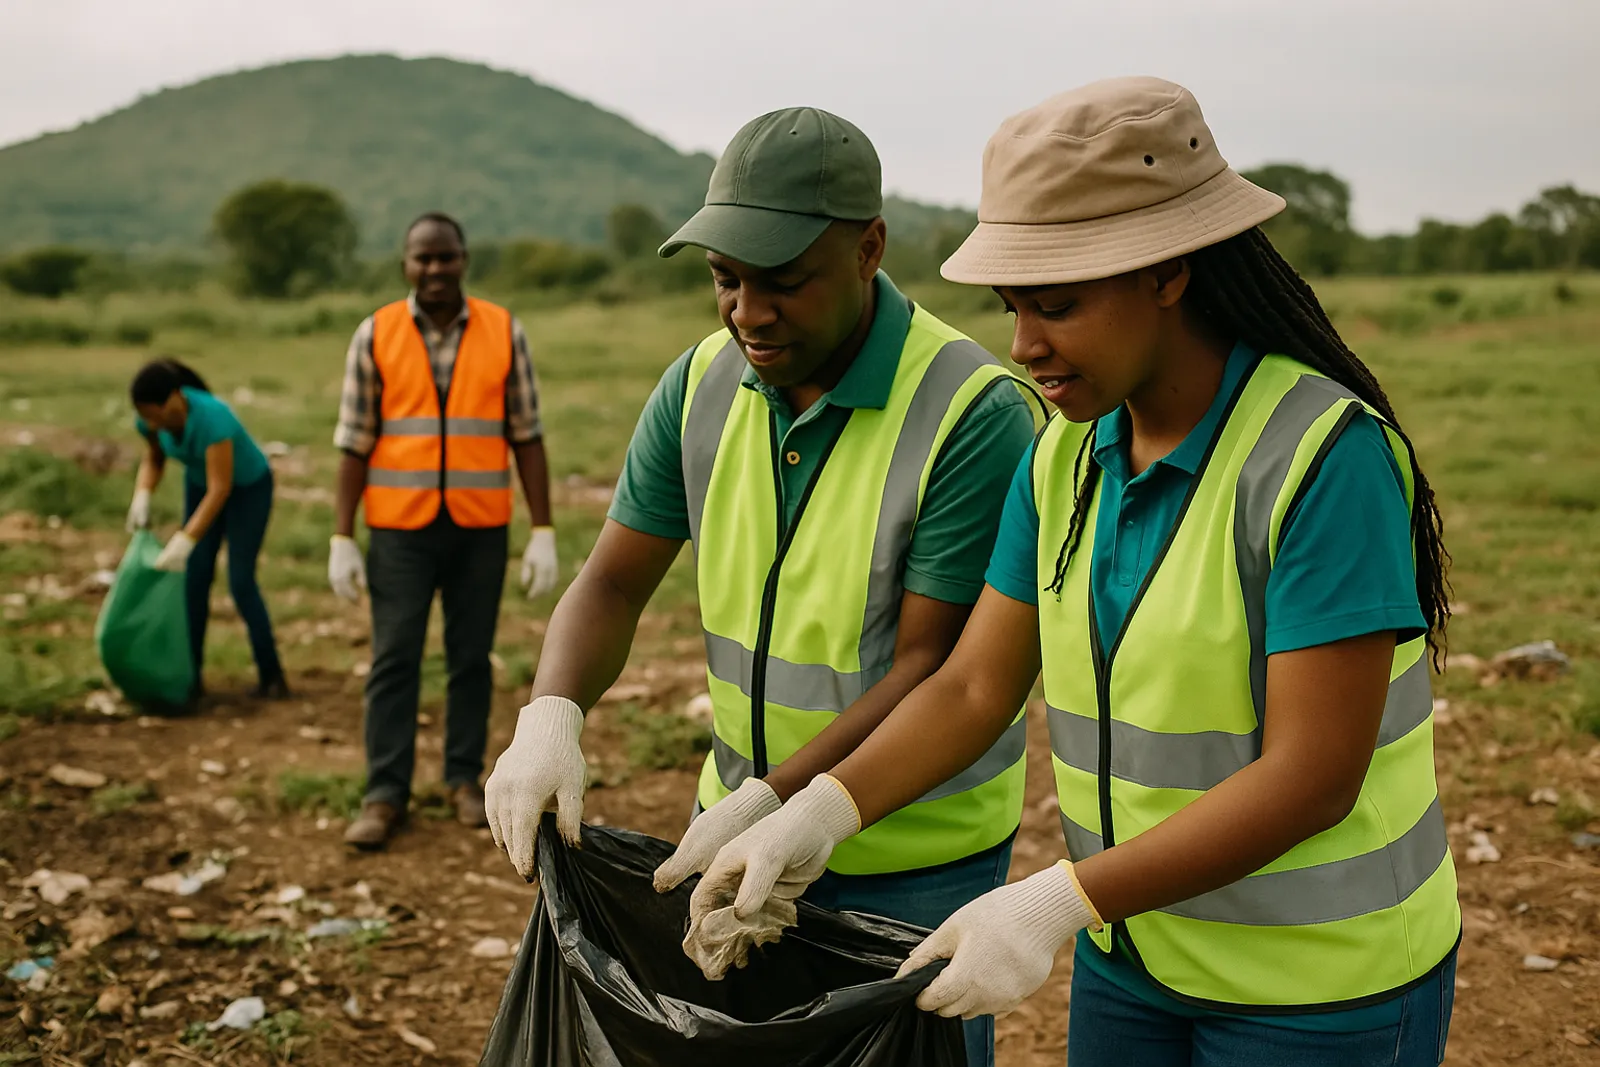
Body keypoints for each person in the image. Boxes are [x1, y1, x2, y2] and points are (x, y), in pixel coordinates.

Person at [690, 78, 1462, 1066]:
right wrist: (814, 810)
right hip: (1135, 959)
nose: (1024, 345)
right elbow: (974, 685)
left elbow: (1312, 776)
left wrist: (1058, 900)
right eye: (1012, 307)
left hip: (1319, 989)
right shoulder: (1065, 456)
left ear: (1168, 272)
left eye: (1056, 306)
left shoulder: (1321, 456)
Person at [483, 107, 1044, 1067]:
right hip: (735, 826)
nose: (748, 311)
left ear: (869, 249)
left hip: (907, 859)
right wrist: (551, 713)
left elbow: (931, 665)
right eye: (725, 279)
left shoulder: (970, 411)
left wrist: (781, 802)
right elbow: (612, 581)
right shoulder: (702, 383)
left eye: (784, 282)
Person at [331, 212, 559, 850]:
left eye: (445, 256)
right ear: (405, 264)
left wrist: (542, 527)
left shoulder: (503, 330)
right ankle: (384, 795)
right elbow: (354, 441)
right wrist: (341, 535)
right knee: (394, 658)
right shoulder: (375, 333)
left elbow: (526, 435)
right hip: (398, 531)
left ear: (464, 259)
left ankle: (463, 781)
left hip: (478, 528)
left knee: (470, 659)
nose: (434, 269)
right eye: (422, 258)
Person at [128, 358, 287, 702]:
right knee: (195, 579)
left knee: (241, 581)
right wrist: (143, 493)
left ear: (174, 398)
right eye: (146, 417)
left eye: (155, 414)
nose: (152, 423)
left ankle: (271, 674)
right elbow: (154, 457)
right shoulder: (150, 421)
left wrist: (186, 539)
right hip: (201, 485)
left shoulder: (214, 418)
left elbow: (221, 487)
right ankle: (191, 676)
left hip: (247, 489)